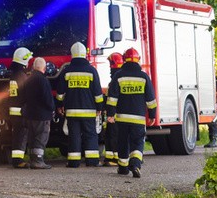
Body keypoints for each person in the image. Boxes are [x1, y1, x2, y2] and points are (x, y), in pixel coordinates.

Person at [106, 47, 157, 178]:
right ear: (138, 60)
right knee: (138, 141)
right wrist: (152, 115)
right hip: (138, 119)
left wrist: (110, 114)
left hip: (122, 118)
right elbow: (151, 99)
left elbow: (112, 98)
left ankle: (123, 168)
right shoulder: (144, 76)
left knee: (123, 142)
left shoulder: (118, 76)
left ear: (124, 60)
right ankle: (135, 164)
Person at [56, 42, 103, 168]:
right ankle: (92, 161)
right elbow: (98, 93)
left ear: (72, 55)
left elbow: (60, 93)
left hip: (72, 111)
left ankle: (73, 162)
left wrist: (59, 105)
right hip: (89, 111)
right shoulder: (92, 71)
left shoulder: (66, 71)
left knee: (74, 136)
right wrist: (99, 108)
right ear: (85, 54)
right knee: (90, 135)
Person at [20, 57, 54, 169]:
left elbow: (23, 98)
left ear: (34, 67)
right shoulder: (43, 80)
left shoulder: (28, 79)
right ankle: (38, 160)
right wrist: (52, 108)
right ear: (44, 68)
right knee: (41, 137)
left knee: (32, 138)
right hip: (42, 115)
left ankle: (33, 160)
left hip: (30, 114)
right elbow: (47, 98)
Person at [8, 47, 32, 168]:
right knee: (21, 136)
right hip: (21, 111)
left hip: (14, 111)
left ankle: (16, 159)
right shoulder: (22, 76)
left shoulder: (14, 75)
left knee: (17, 135)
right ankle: (18, 161)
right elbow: (26, 94)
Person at [102, 52, 124, 166]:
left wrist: (110, 113)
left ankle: (114, 159)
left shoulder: (116, 79)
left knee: (113, 135)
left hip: (115, 114)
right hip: (119, 113)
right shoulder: (121, 77)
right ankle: (112, 158)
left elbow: (112, 99)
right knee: (112, 135)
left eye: (110, 64)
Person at [205, 77, 217, 148]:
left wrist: (210, 92)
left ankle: (214, 140)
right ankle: (211, 140)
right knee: (210, 123)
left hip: (215, 105)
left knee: (214, 122)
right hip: (209, 104)